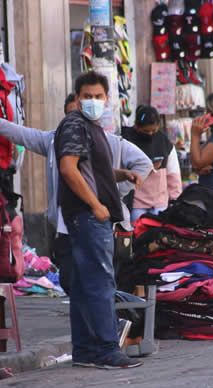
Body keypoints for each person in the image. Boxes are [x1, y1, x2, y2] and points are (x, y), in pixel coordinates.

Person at [0, 95, 152, 294]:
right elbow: (24, 135)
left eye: (79, 117)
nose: (75, 124)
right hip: (69, 226)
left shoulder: (110, 142)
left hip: (102, 224)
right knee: (73, 283)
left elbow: (144, 164)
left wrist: (113, 195)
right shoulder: (55, 140)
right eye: (70, 118)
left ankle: (109, 322)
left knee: (100, 286)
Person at [55, 71, 142, 369]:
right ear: (77, 98)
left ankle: (85, 350)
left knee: (83, 285)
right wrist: (95, 205)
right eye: (87, 96)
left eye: (98, 96)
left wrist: (121, 175)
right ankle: (106, 348)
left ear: (107, 99)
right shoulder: (75, 124)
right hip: (89, 217)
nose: (92, 101)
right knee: (100, 282)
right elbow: (69, 168)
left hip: (88, 216)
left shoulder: (92, 128)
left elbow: (89, 169)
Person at [122, 105, 181, 222]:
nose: (150, 134)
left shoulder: (164, 142)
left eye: (153, 131)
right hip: (136, 204)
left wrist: (175, 201)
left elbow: (173, 174)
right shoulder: (126, 141)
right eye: (145, 131)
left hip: (160, 203)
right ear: (136, 126)